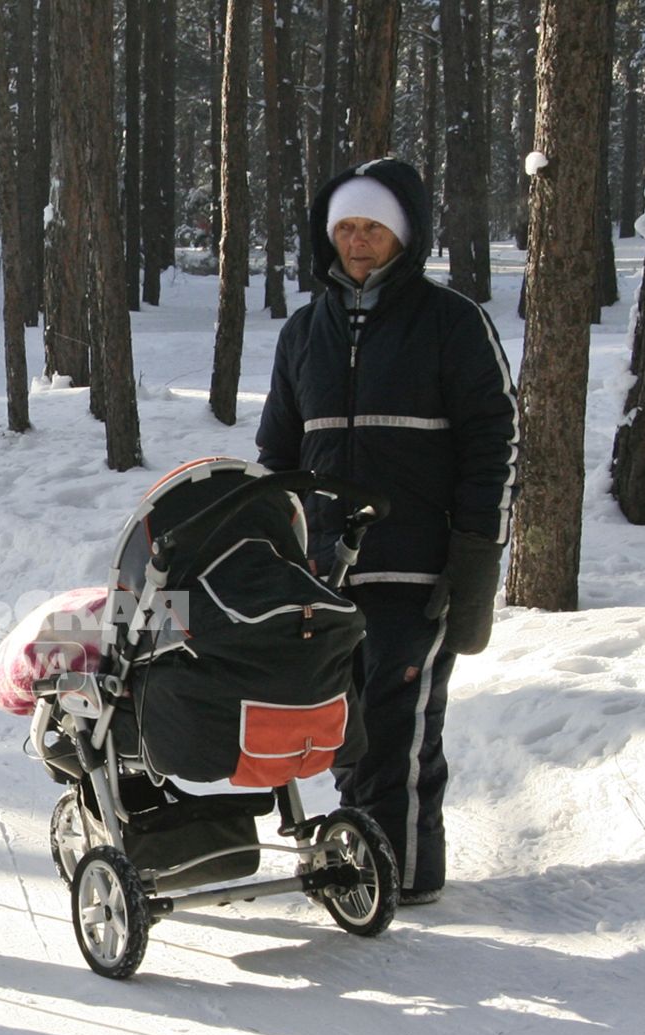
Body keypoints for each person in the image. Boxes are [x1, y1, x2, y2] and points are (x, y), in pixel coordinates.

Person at [256, 157, 519, 906]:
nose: (357, 241)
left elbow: (494, 442)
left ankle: (397, 873)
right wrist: (278, 544)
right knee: (341, 722)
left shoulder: (451, 324)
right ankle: (369, 861)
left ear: (403, 235)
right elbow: (277, 453)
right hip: (324, 571)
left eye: (372, 227)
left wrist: (474, 559)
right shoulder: (305, 331)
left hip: (418, 564)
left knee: (397, 723)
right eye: (345, 227)